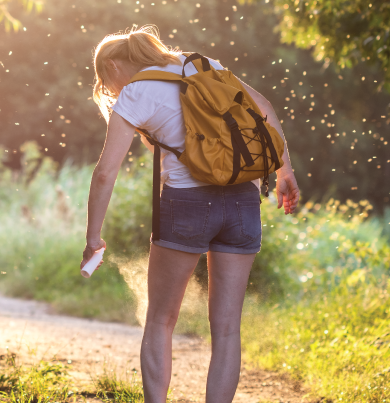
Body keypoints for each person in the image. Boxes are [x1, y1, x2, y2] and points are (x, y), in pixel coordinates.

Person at [82, 25, 300, 403]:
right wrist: (285, 171)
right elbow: (263, 106)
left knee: (161, 320)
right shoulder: (203, 64)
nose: (109, 87)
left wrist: (92, 237)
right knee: (228, 328)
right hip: (243, 202)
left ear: (116, 65)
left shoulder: (136, 92)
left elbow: (105, 173)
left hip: (187, 203)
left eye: (105, 78)